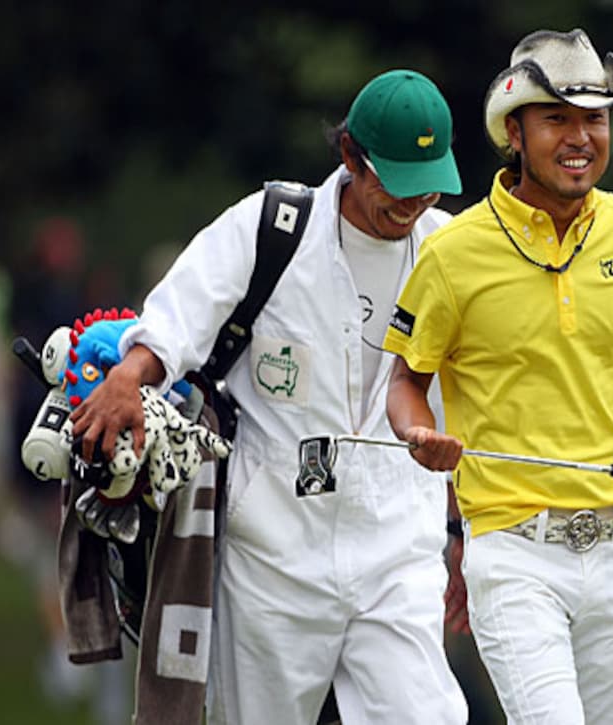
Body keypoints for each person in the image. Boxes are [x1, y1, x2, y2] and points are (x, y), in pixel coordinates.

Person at [69, 70, 468, 725]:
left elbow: (469, 397)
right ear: (349, 156)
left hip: (398, 546)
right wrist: (126, 377)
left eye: (430, 181)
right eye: (396, 181)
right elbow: (180, 314)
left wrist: (461, 532)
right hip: (275, 550)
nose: (415, 200)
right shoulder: (274, 227)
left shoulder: (451, 250)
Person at [383, 29, 613, 725]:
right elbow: (405, 381)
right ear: (514, 132)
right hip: (514, 557)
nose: (581, 137)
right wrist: (419, 434)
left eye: (595, 118)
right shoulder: (454, 251)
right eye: (558, 118)